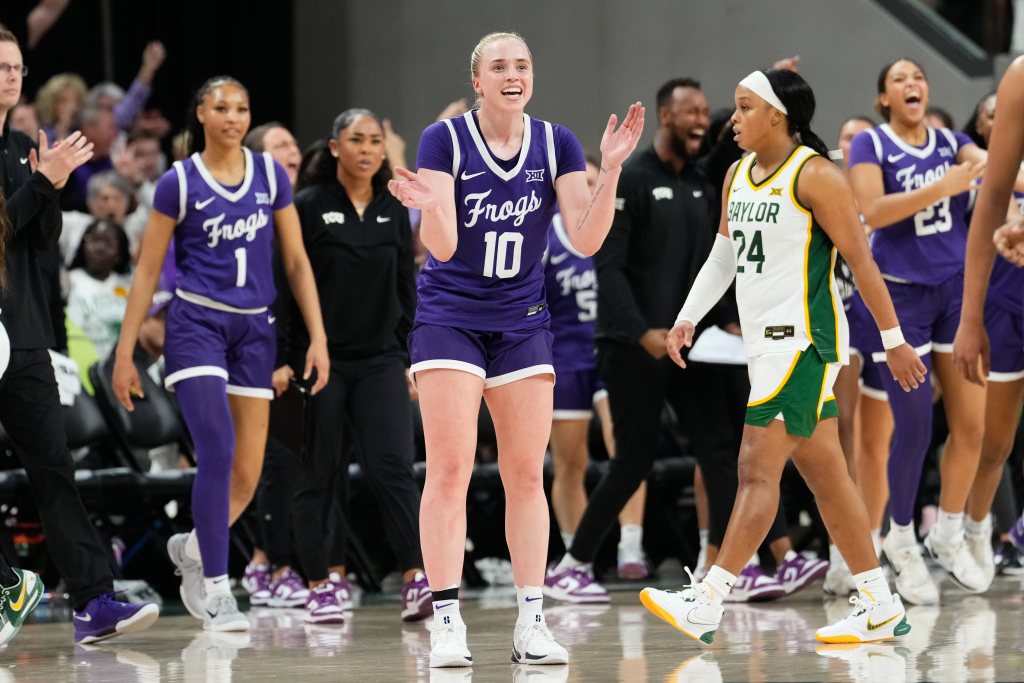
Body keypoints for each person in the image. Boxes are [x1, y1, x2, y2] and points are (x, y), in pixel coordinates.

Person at [640, 67, 925, 645]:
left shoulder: (817, 176)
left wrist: (894, 341)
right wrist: (687, 317)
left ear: (778, 116)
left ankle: (709, 600)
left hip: (805, 343)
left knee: (754, 468)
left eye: (745, 107)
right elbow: (723, 257)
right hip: (763, 346)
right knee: (829, 477)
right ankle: (878, 603)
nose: (734, 117)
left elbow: (862, 263)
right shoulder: (735, 174)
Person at [388, 31, 643, 667]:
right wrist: (428, 212)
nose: (513, 73)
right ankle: (447, 619)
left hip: (524, 319)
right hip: (451, 317)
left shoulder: (555, 141)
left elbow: (584, 241)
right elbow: (443, 249)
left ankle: (533, 619)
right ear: (478, 81)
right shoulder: (441, 140)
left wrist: (609, 169)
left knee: (527, 473)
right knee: (448, 468)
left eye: (522, 64)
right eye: (499, 66)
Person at [545, 76, 824, 605]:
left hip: (692, 344)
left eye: (705, 111)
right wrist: (639, 330)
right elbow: (605, 266)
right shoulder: (632, 180)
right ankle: (573, 565)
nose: (701, 119)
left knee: (720, 449)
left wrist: (716, 319)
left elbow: (715, 261)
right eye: (689, 111)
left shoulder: (705, 180)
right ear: (665, 117)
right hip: (632, 345)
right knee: (633, 459)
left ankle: (723, 567)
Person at [111, 75, 329, 632]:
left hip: (255, 330)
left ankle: (190, 548)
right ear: (201, 115)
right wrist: (124, 352)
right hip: (197, 324)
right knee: (217, 448)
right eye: (222, 107)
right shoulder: (177, 183)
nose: (234, 117)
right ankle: (216, 588)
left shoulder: (268, 177)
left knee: (247, 475)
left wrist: (318, 336)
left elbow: (298, 262)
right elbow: (145, 273)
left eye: (242, 107)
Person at [0, 27, 158, 646]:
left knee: (55, 470)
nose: (11, 75)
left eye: (16, 66)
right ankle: (9, 584)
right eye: (0, 66)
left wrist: (51, 183)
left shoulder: (20, 145)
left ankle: (93, 601)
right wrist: (47, 184)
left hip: (26, 334)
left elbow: (37, 248)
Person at [847, 58, 995, 603]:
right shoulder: (872, 145)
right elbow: (874, 210)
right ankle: (901, 540)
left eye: (919, 78)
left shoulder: (952, 141)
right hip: (898, 295)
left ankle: (948, 532)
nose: (913, 85)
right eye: (900, 80)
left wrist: (983, 167)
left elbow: (992, 166)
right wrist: (945, 186)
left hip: (955, 292)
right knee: (913, 429)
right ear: (883, 97)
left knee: (972, 427)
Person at [288, 108, 429, 624]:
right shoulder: (307, 206)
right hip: (321, 359)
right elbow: (289, 288)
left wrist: (413, 354)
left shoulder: (394, 210)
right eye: (356, 140)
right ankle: (322, 582)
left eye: (375, 141)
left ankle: (417, 577)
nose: (367, 149)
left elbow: (405, 287)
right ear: (334, 148)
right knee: (318, 472)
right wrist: (289, 355)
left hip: (380, 359)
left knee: (393, 467)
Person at [543, 155, 647, 579]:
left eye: (593, 180)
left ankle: (631, 548)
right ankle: (575, 557)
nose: (586, 188)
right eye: (579, 180)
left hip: (610, 348)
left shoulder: (616, 225)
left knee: (625, 448)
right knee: (569, 462)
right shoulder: (545, 232)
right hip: (563, 356)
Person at [954, 54, 1024, 569]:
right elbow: (993, 198)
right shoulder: (1020, 77)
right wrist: (969, 317)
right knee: (994, 440)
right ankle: (978, 527)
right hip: (1006, 290)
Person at [825, 114, 896, 596]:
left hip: (884, 321)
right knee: (844, 432)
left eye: (861, 136)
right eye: (846, 135)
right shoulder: (823, 187)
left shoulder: (886, 196)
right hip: (839, 318)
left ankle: (873, 543)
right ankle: (841, 556)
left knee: (878, 445)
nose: (853, 142)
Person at [65, 219, 132, 360]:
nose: (99, 248)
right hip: (85, 363)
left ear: (120, 254)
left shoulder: (128, 285)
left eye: (108, 243)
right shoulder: (70, 282)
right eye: (94, 240)